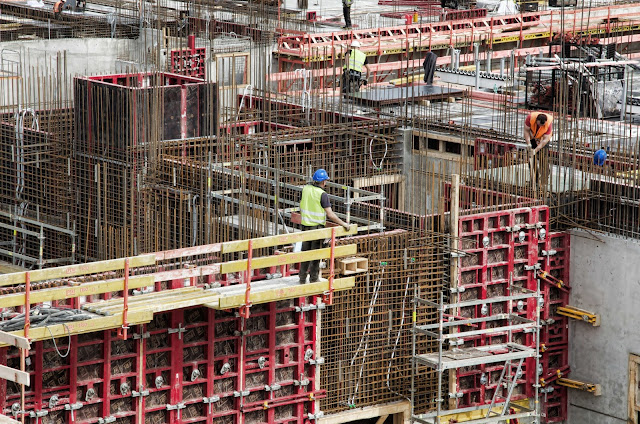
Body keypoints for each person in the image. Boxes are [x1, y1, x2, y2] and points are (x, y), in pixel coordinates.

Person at [299, 168, 351, 284]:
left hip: (305, 226)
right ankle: (313, 279)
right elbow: (330, 215)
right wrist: (344, 224)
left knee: (305, 254)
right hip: (317, 229)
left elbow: (301, 205)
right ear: (323, 182)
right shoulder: (322, 194)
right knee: (316, 255)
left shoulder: (305, 189)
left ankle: (302, 278)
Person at [524, 111, 553, 193]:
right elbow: (526, 131)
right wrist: (529, 144)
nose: (541, 126)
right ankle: (534, 179)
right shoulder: (530, 118)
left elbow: (545, 140)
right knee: (531, 159)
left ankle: (543, 183)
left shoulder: (548, 123)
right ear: (536, 120)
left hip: (543, 140)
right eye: (540, 124)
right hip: (533, 137)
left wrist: (536, 150)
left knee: (543, 160)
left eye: (542, 125)